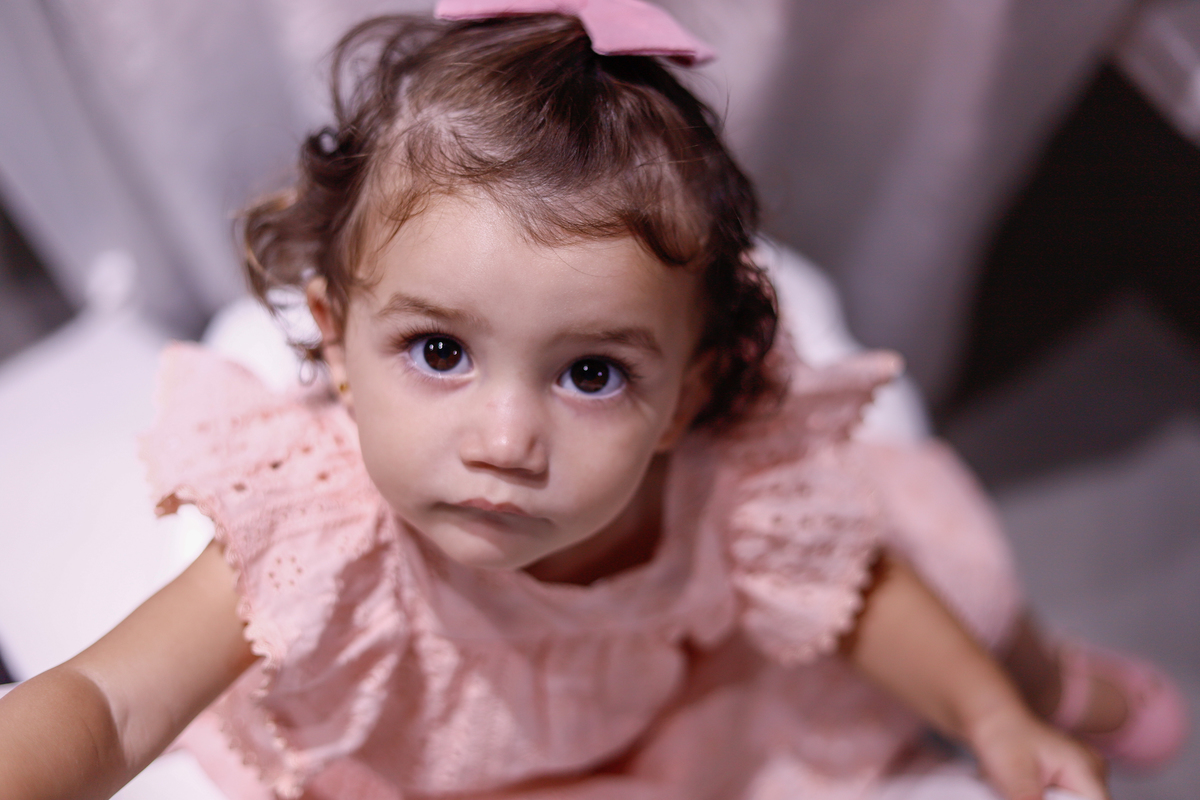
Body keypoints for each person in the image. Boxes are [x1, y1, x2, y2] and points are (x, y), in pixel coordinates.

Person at [0, 3, 1186, 798]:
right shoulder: (317, 534)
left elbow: (865, 590)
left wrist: (986, 714)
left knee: (956, 575)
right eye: (439, 350)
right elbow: (108, 703)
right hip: (449, 772)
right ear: (338, 347)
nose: (506, 440)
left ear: (687, 395)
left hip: (681, 723)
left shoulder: (722, 489)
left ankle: (1043, 678)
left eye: (591, 373)